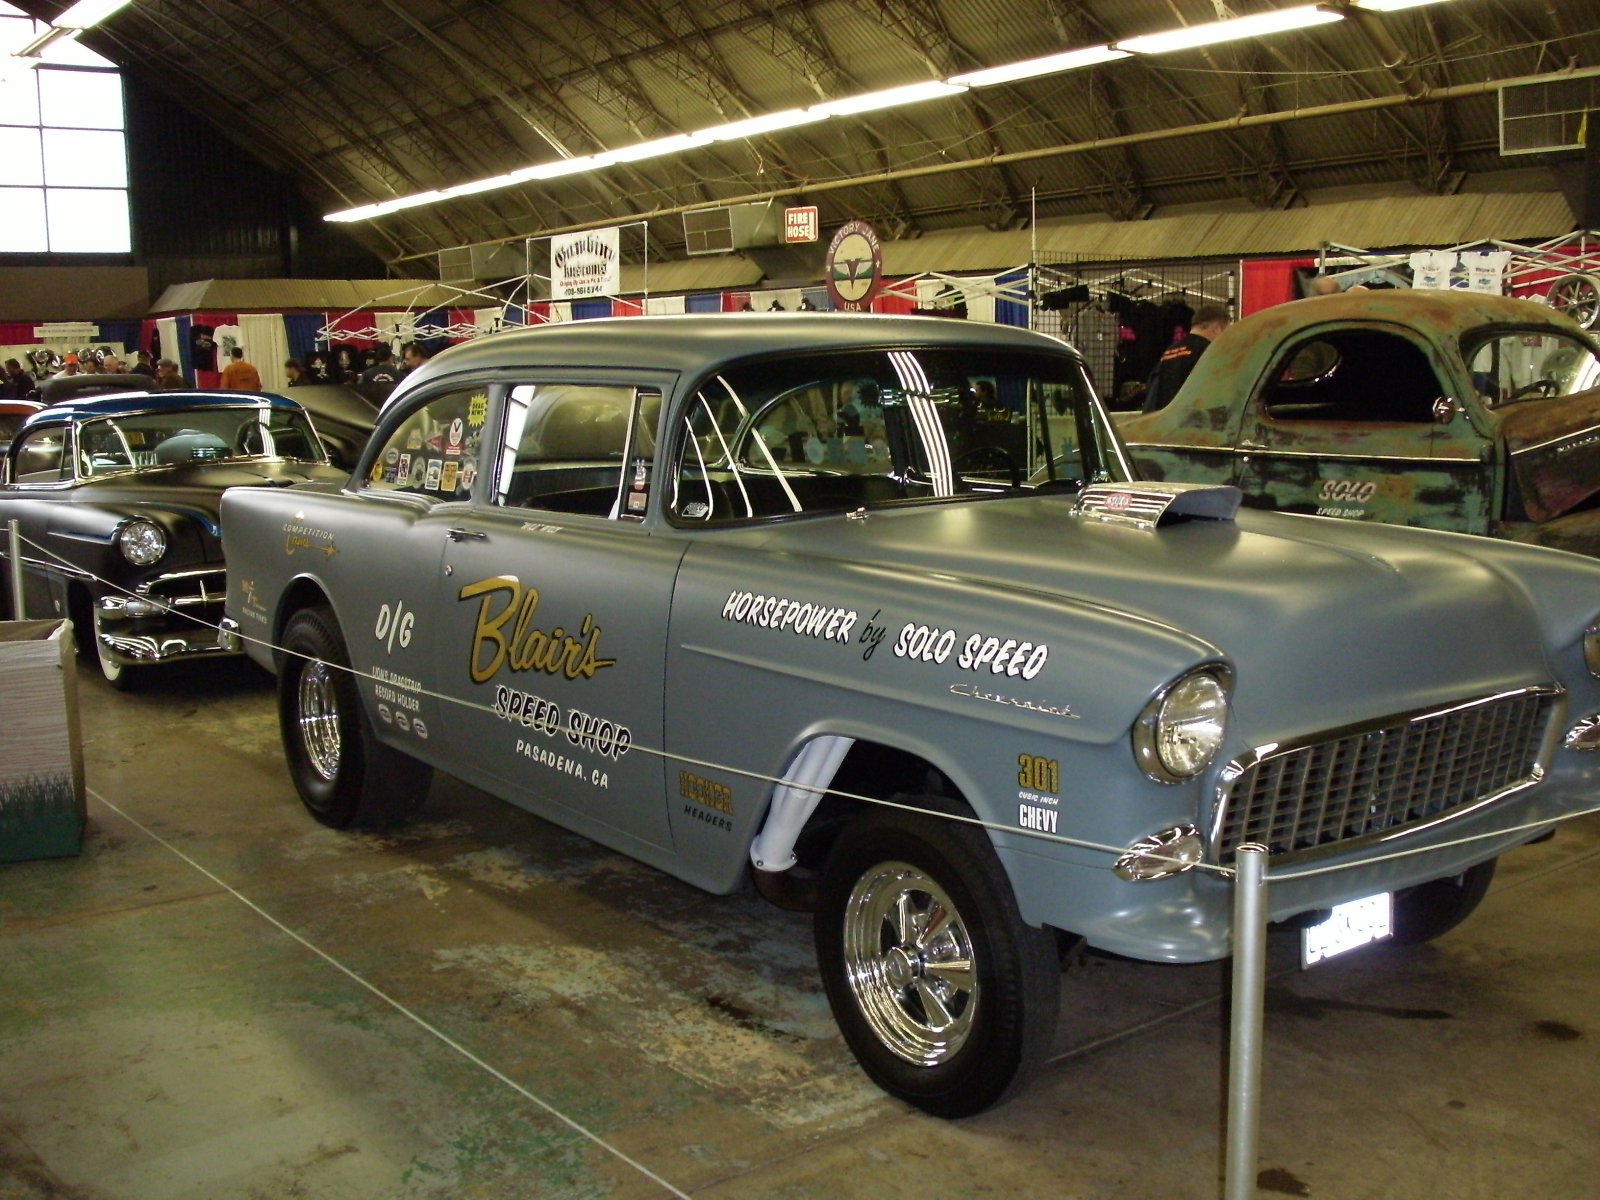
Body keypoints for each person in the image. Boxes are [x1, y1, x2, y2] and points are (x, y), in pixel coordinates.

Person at [1141, 305, 1231, 414]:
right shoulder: (1210, 352)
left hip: (1165, 422)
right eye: (1226, 331)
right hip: (1194, 423)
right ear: (1217, 329)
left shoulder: (1170, 351)